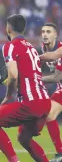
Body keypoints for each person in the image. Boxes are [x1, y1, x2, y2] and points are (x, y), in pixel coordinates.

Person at [0, 14, 52, 162]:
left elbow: (13, 75)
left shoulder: (10, 46)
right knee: (24, 138)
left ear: (8, 28)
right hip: (45, 102)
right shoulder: (32, 49)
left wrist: (8, 96)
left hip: (30, 103)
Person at [40, 23, 62, 162]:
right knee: (49, 115)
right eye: (43, 32)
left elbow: (57, 77)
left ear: (55, 35)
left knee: (49, 114)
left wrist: (34, 78)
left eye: (48, 31)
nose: (45, 34)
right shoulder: (44, 48)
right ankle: (60, 153)